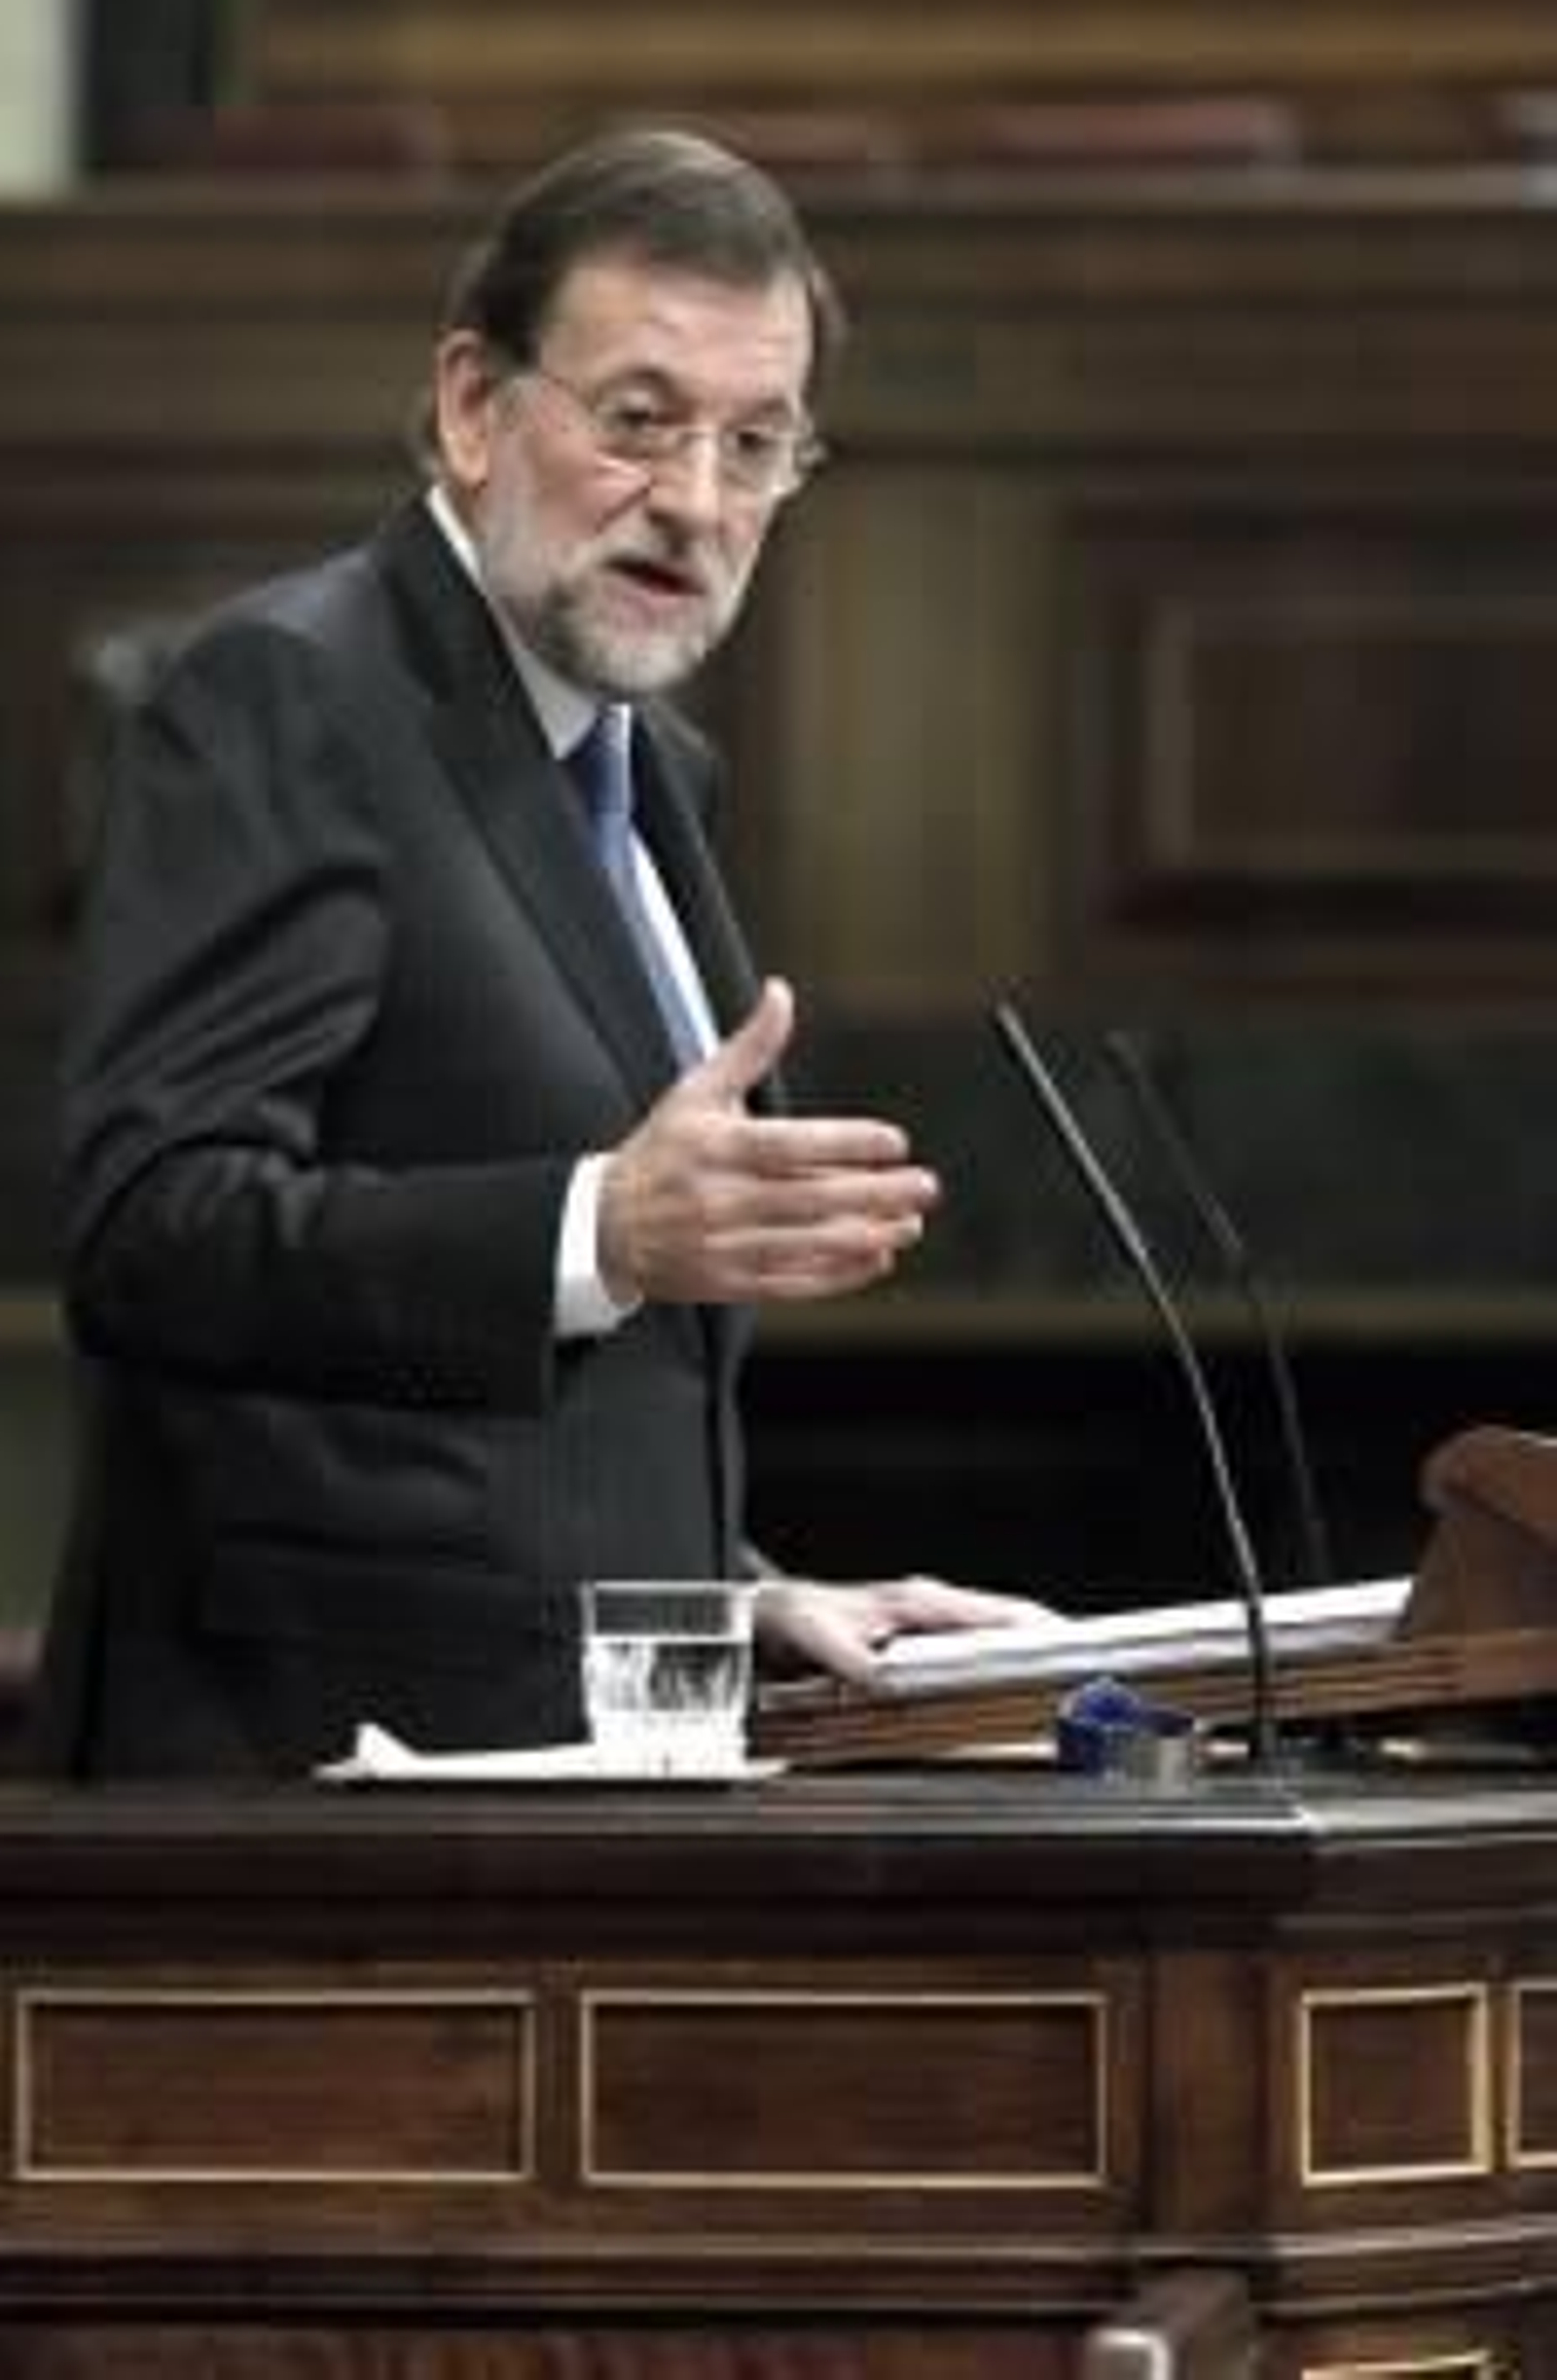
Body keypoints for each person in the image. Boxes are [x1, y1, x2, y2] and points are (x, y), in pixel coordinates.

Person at [32, 127, 1030, 1778]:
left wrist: (735, 1598)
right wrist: (597, 1223)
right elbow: (153, 1230)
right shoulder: (292, 695)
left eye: (758, 442)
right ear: (474, 406)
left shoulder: (655, 769)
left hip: (568, 1780)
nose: (696, 503)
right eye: (639, 422)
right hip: (299, 1805)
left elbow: (509, 1432)